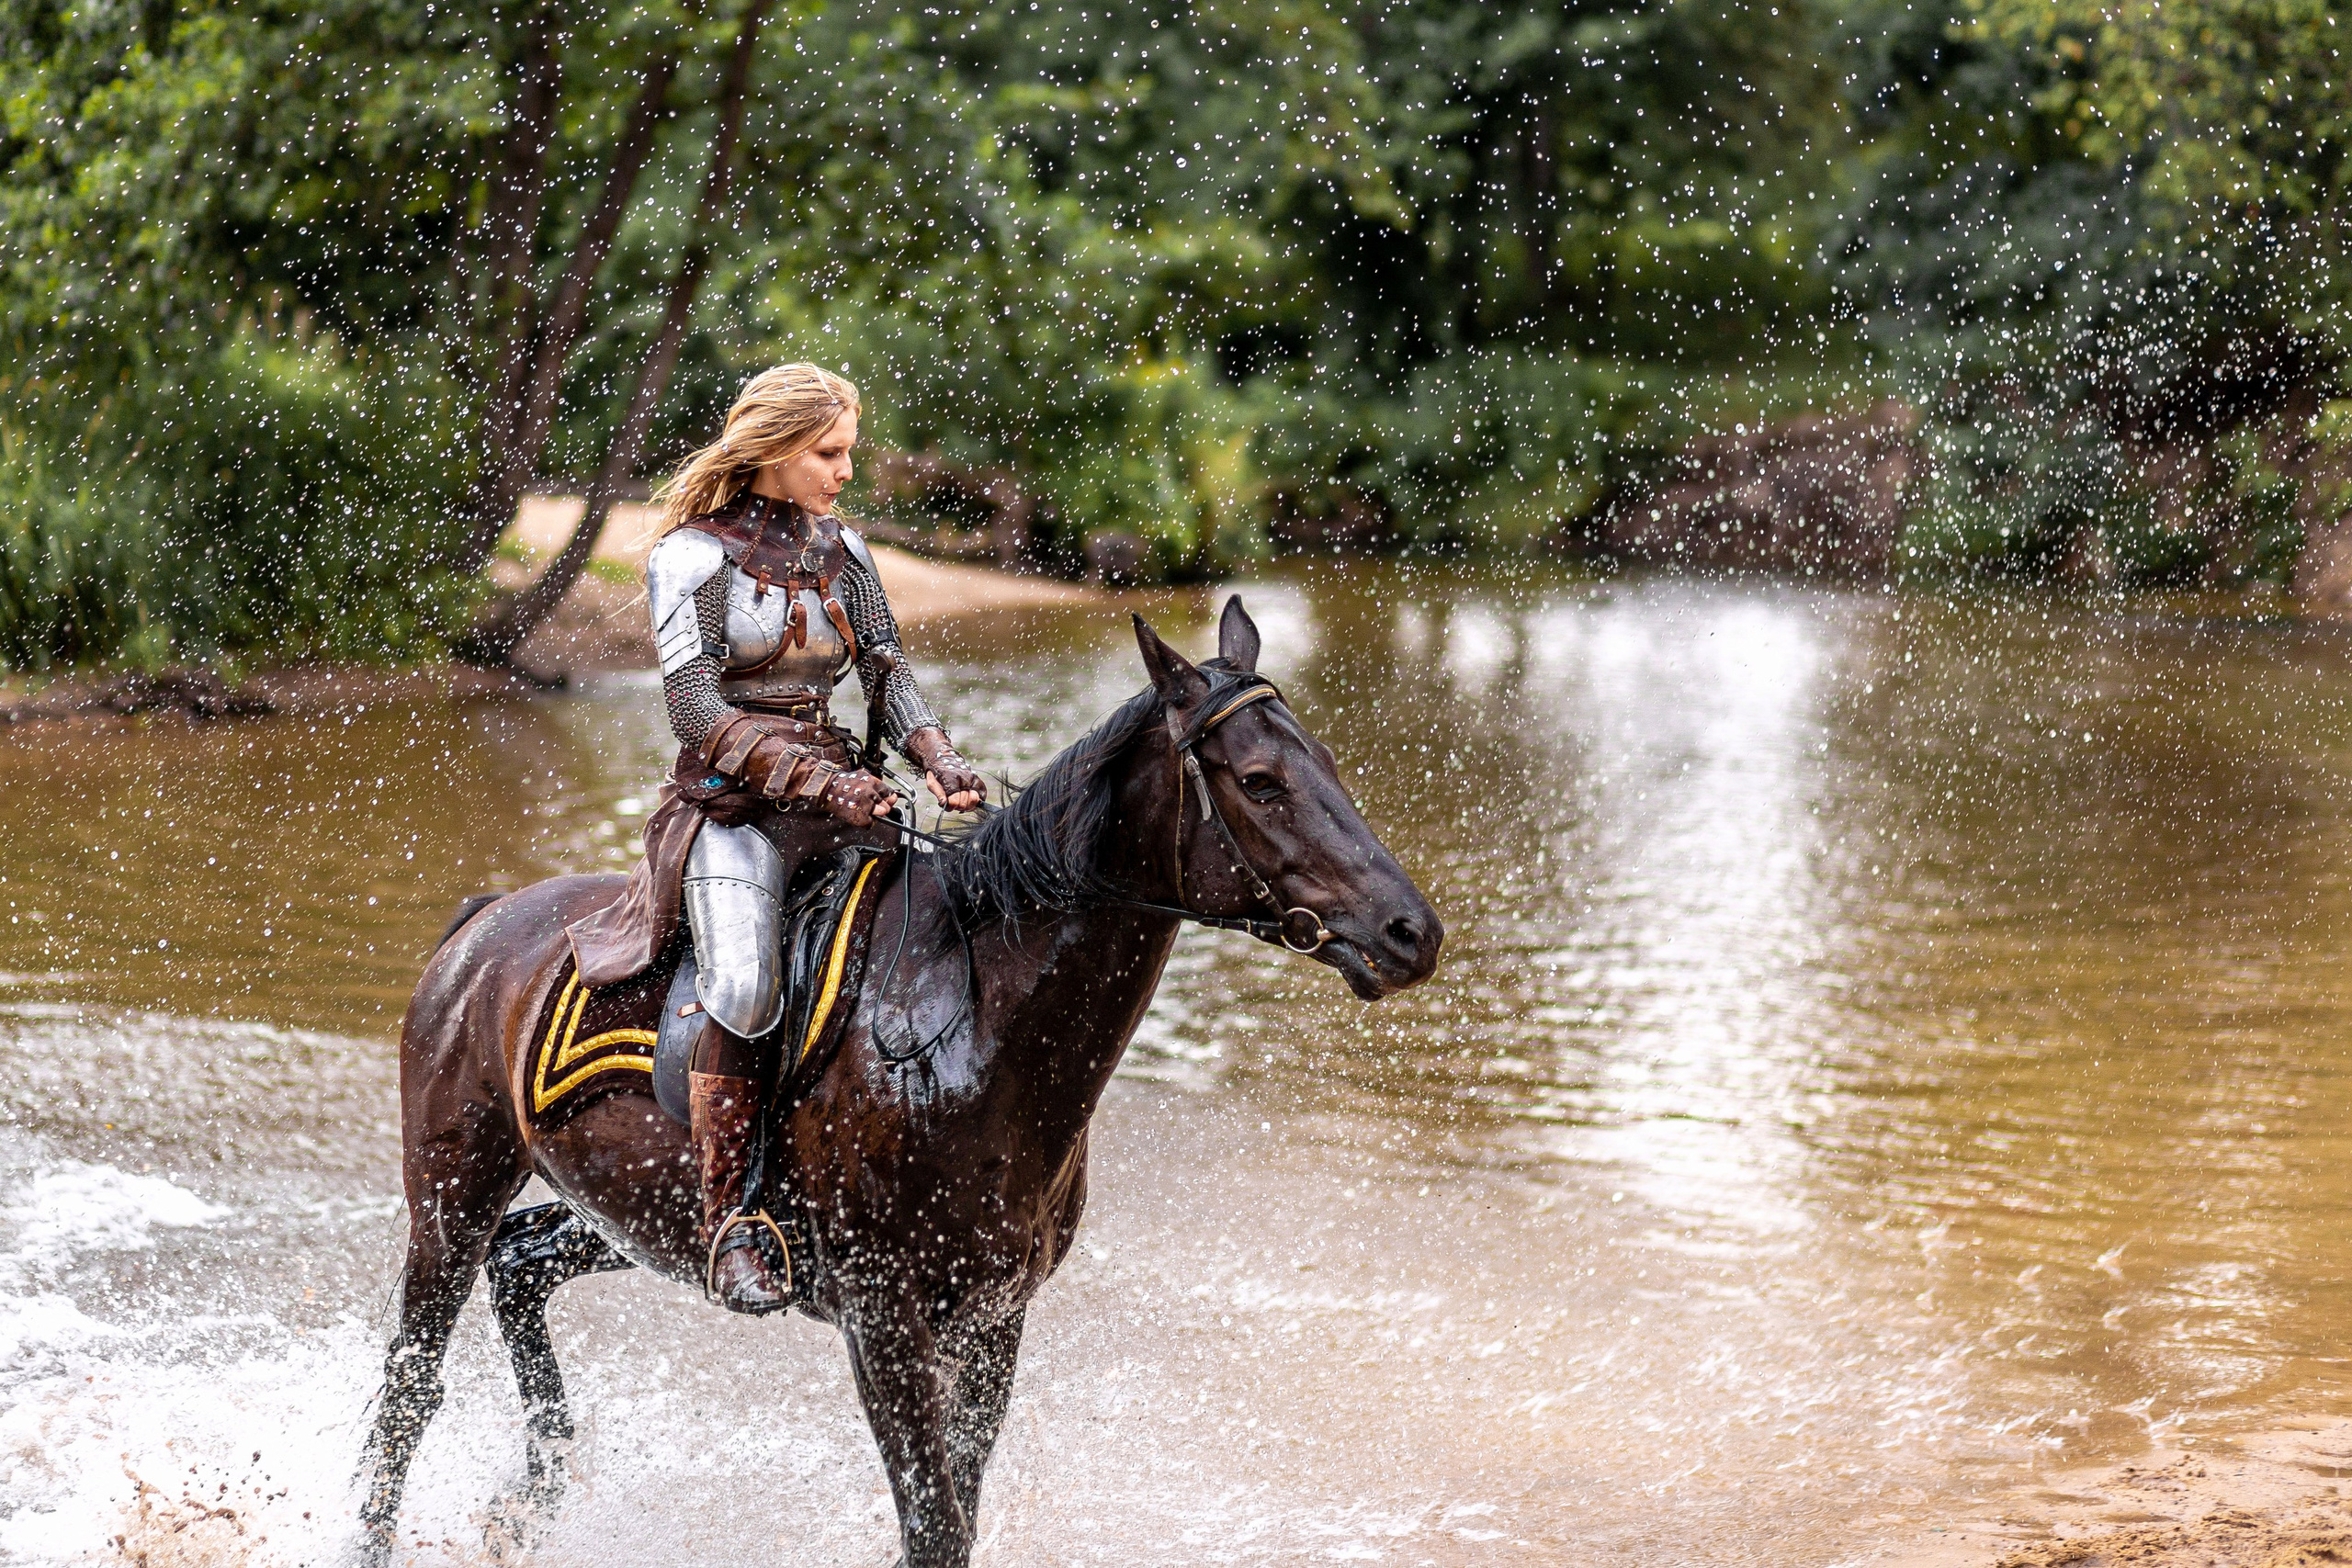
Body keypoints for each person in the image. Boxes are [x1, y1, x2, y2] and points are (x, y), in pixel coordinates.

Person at [571, 364, 986, 1313]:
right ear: (771, 451)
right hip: (734, 814)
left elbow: (887, 671)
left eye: (848, 451)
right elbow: (692, 705)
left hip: (844, 807)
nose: (845, 471)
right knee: (747, 984)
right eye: (828, 453)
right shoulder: (691, 558)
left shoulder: (845, 552)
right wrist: (817, 780)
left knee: (934, 942)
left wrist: (938, 756)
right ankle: (732, 1223)